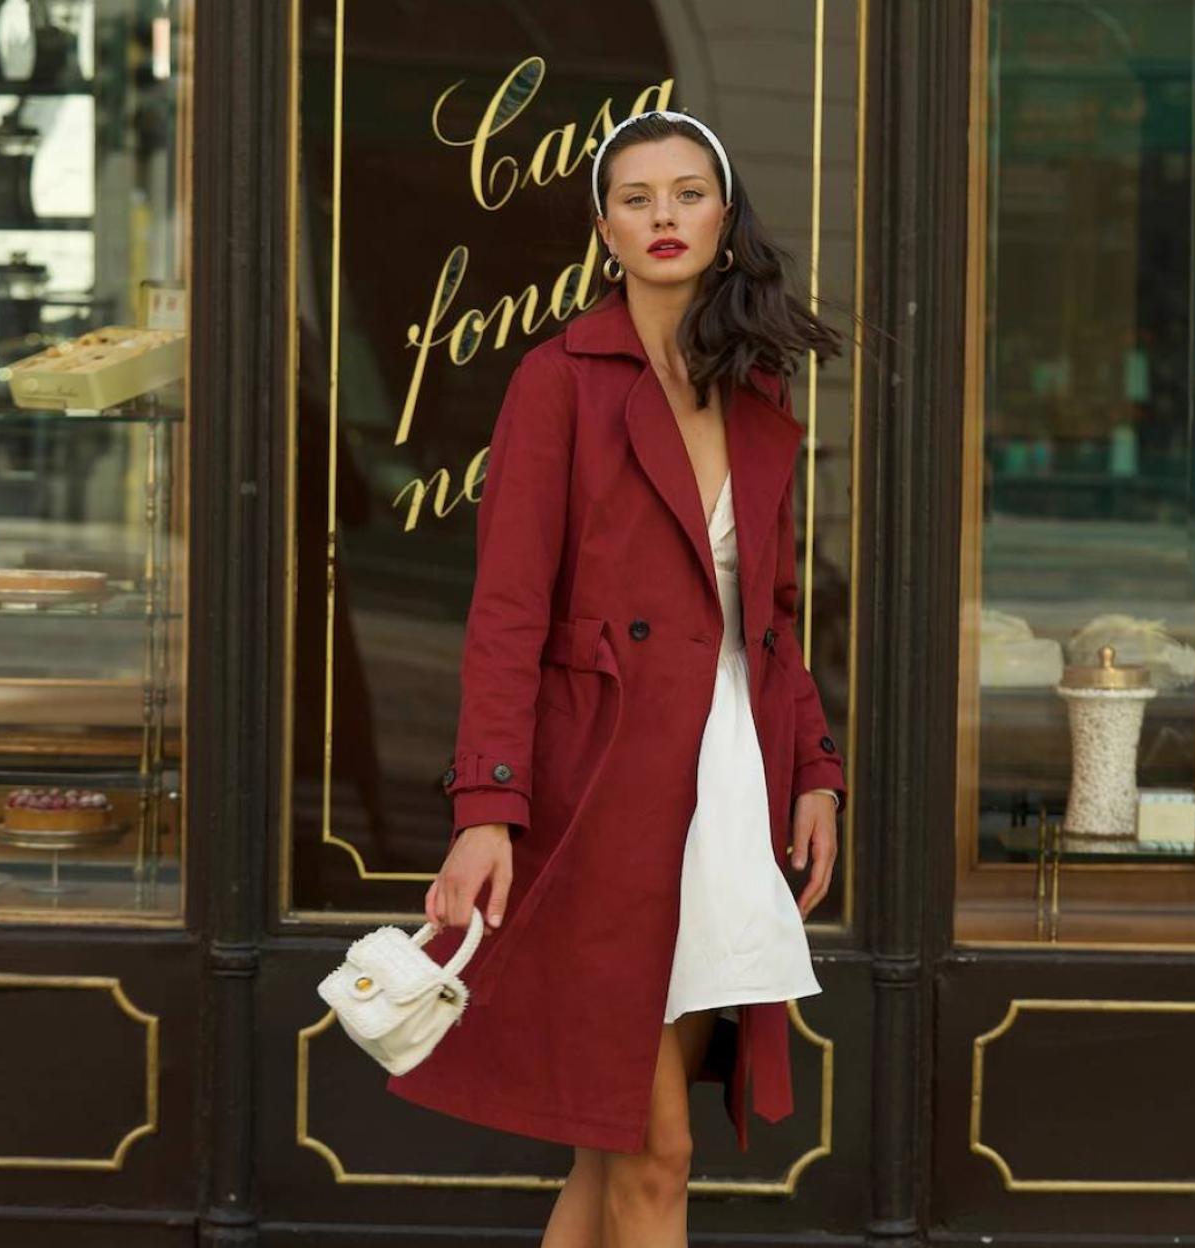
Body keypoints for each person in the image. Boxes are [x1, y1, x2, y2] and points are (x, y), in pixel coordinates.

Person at [386, 109, 848, 1248]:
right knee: (656, 1156)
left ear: (726, 218)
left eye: (688, 194)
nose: (664, 217)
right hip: (599, 792)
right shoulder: (560, 381)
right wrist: (486, 808)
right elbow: (505, 611)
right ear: (604, 230)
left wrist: (817, 772)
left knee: (612, 1151)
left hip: (729, 782)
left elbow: (772, 619)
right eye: (637, 198)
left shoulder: (758, 389)